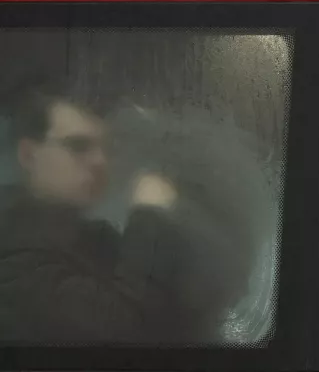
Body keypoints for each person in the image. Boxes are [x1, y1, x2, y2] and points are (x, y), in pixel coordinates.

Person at [0, 84, 183, 343]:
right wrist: (148, 216)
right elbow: (125, 335)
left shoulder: (92, 237)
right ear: (29, 155)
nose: (100, 162)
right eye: (78, 146)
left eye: (106, 149)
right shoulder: (12, 257)